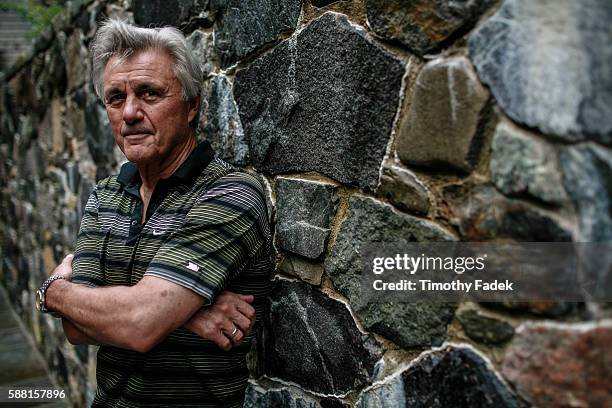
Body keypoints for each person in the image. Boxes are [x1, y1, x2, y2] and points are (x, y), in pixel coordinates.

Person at [34, 18, 273, 407]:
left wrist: (54, 291)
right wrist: (189, 313)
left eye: (149, 93)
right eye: (115, 97)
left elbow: (139, 324)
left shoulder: (229, 195)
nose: (129, 112)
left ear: (191, 104)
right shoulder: (106, 195)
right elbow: (75, 329)